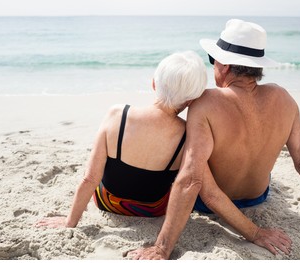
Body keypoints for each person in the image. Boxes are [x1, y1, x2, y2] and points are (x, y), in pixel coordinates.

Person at [129, 19, 300, 259]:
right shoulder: (284, 98)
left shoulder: (206, 103)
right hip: (259, 196)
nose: (212, 67)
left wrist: (161, 248)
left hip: (208, 205)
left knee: (181, 145)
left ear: (224, 66)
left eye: (212, 61)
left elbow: (192, 180)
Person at [35, 51, 207, 228]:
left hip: (107, 202)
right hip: (153, 209)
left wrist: (69, 222)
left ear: (154, 83)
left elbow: (90, 179)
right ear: (191, 101)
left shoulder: (118, 115)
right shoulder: (187, 134)